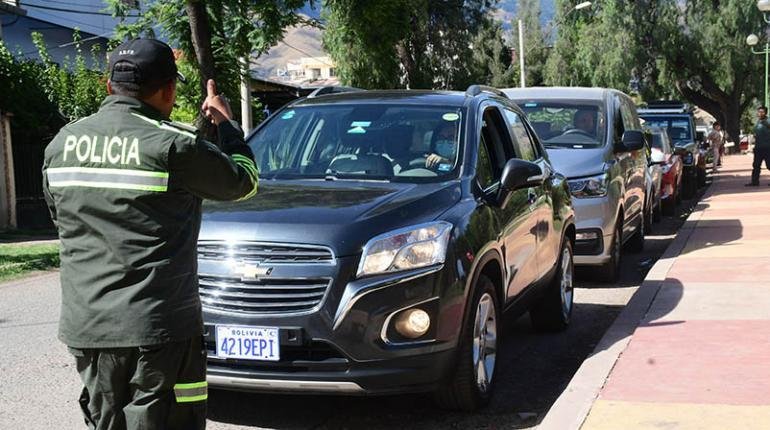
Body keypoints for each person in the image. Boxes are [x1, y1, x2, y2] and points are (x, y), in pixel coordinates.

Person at [42, 38, 259, 430]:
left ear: (109, 87)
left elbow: (61, 219)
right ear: (169, 90)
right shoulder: (173, 145)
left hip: (87, 325)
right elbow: (243, 180)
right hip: (159, 328)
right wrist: (226, 124)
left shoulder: (61, 144)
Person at [748, 106, 770, 186]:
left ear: (766, 113)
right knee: (756, 165)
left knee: (769, 165)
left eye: (762, 112)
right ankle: (754, 182)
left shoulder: (768, 121)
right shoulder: (758, 122)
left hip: (768, 147)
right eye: (759, 112)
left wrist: (767, 124)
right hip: (758, 147)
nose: (760, 113)